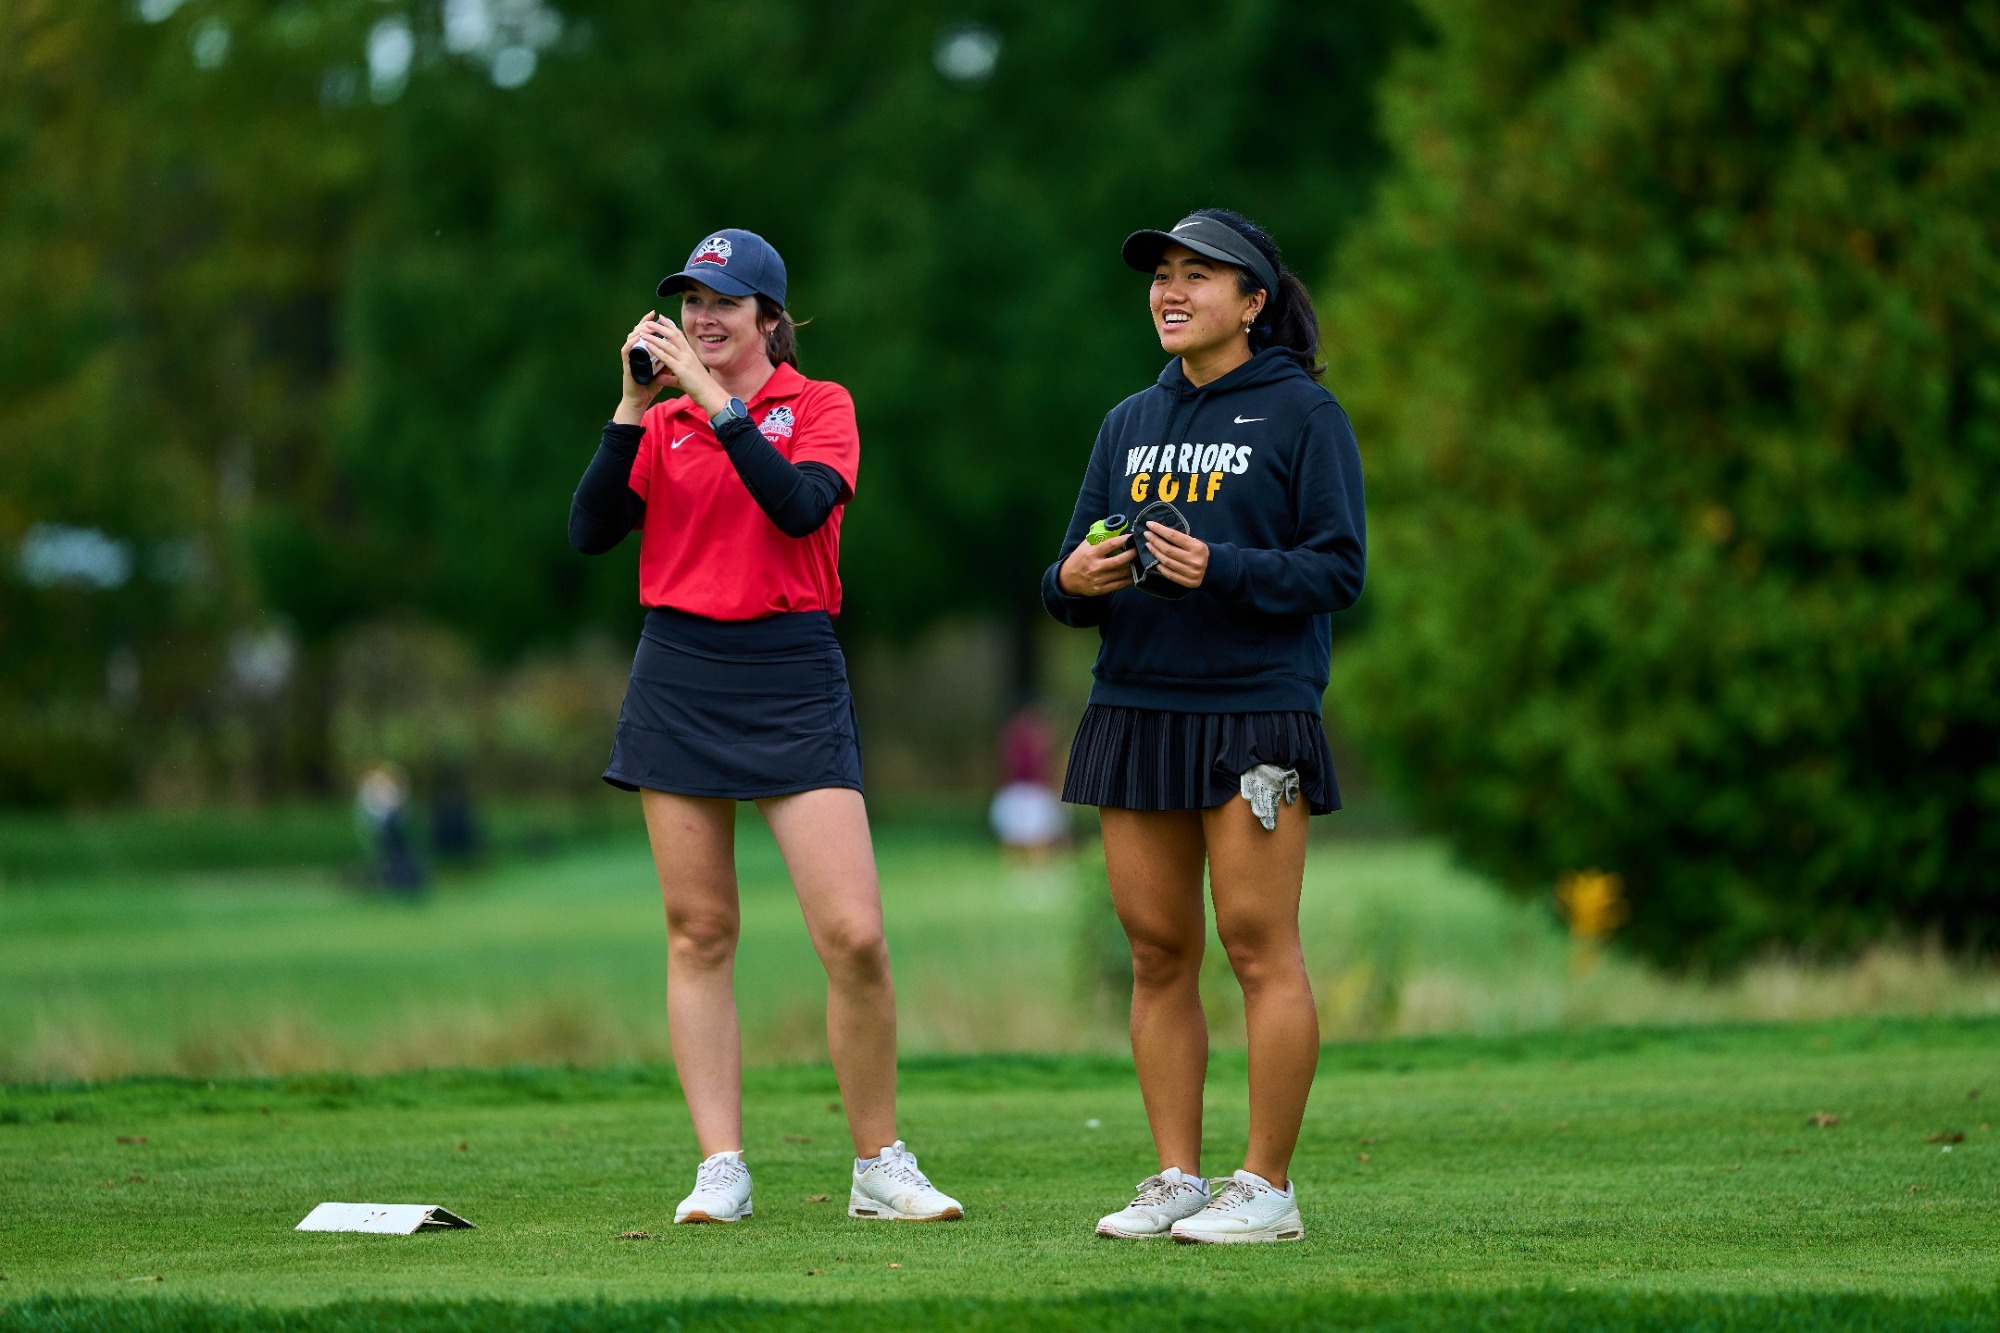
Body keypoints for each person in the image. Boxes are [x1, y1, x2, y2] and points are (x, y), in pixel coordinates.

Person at [569, 228, 961, 1227]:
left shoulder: (821, 407)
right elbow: (590, 530)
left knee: (854, 935)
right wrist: (630, 405)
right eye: (690, 302)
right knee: (700, 930)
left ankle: (878, 1162)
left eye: (724, 304)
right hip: (681, 671)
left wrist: (713, 401)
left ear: (768, 318)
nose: (702, 319)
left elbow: (796, 509)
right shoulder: (659, 424)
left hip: (789, 670)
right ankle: (720, 1166)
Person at [1042, 209, 1365, 1244]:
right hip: (1135, 705)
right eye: (1160, 277)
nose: (1170, 292)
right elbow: (1066, 577)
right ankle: (1176, 1178)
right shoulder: (1124, 420)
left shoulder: (1302, 416)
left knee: (1257, 947)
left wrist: (1219, 568)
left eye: (1197, 276)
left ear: (1252, 301)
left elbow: (1336, 569)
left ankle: (1264, 1189)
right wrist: (1071, 579)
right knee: (1154, 952)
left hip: (1253, 709)